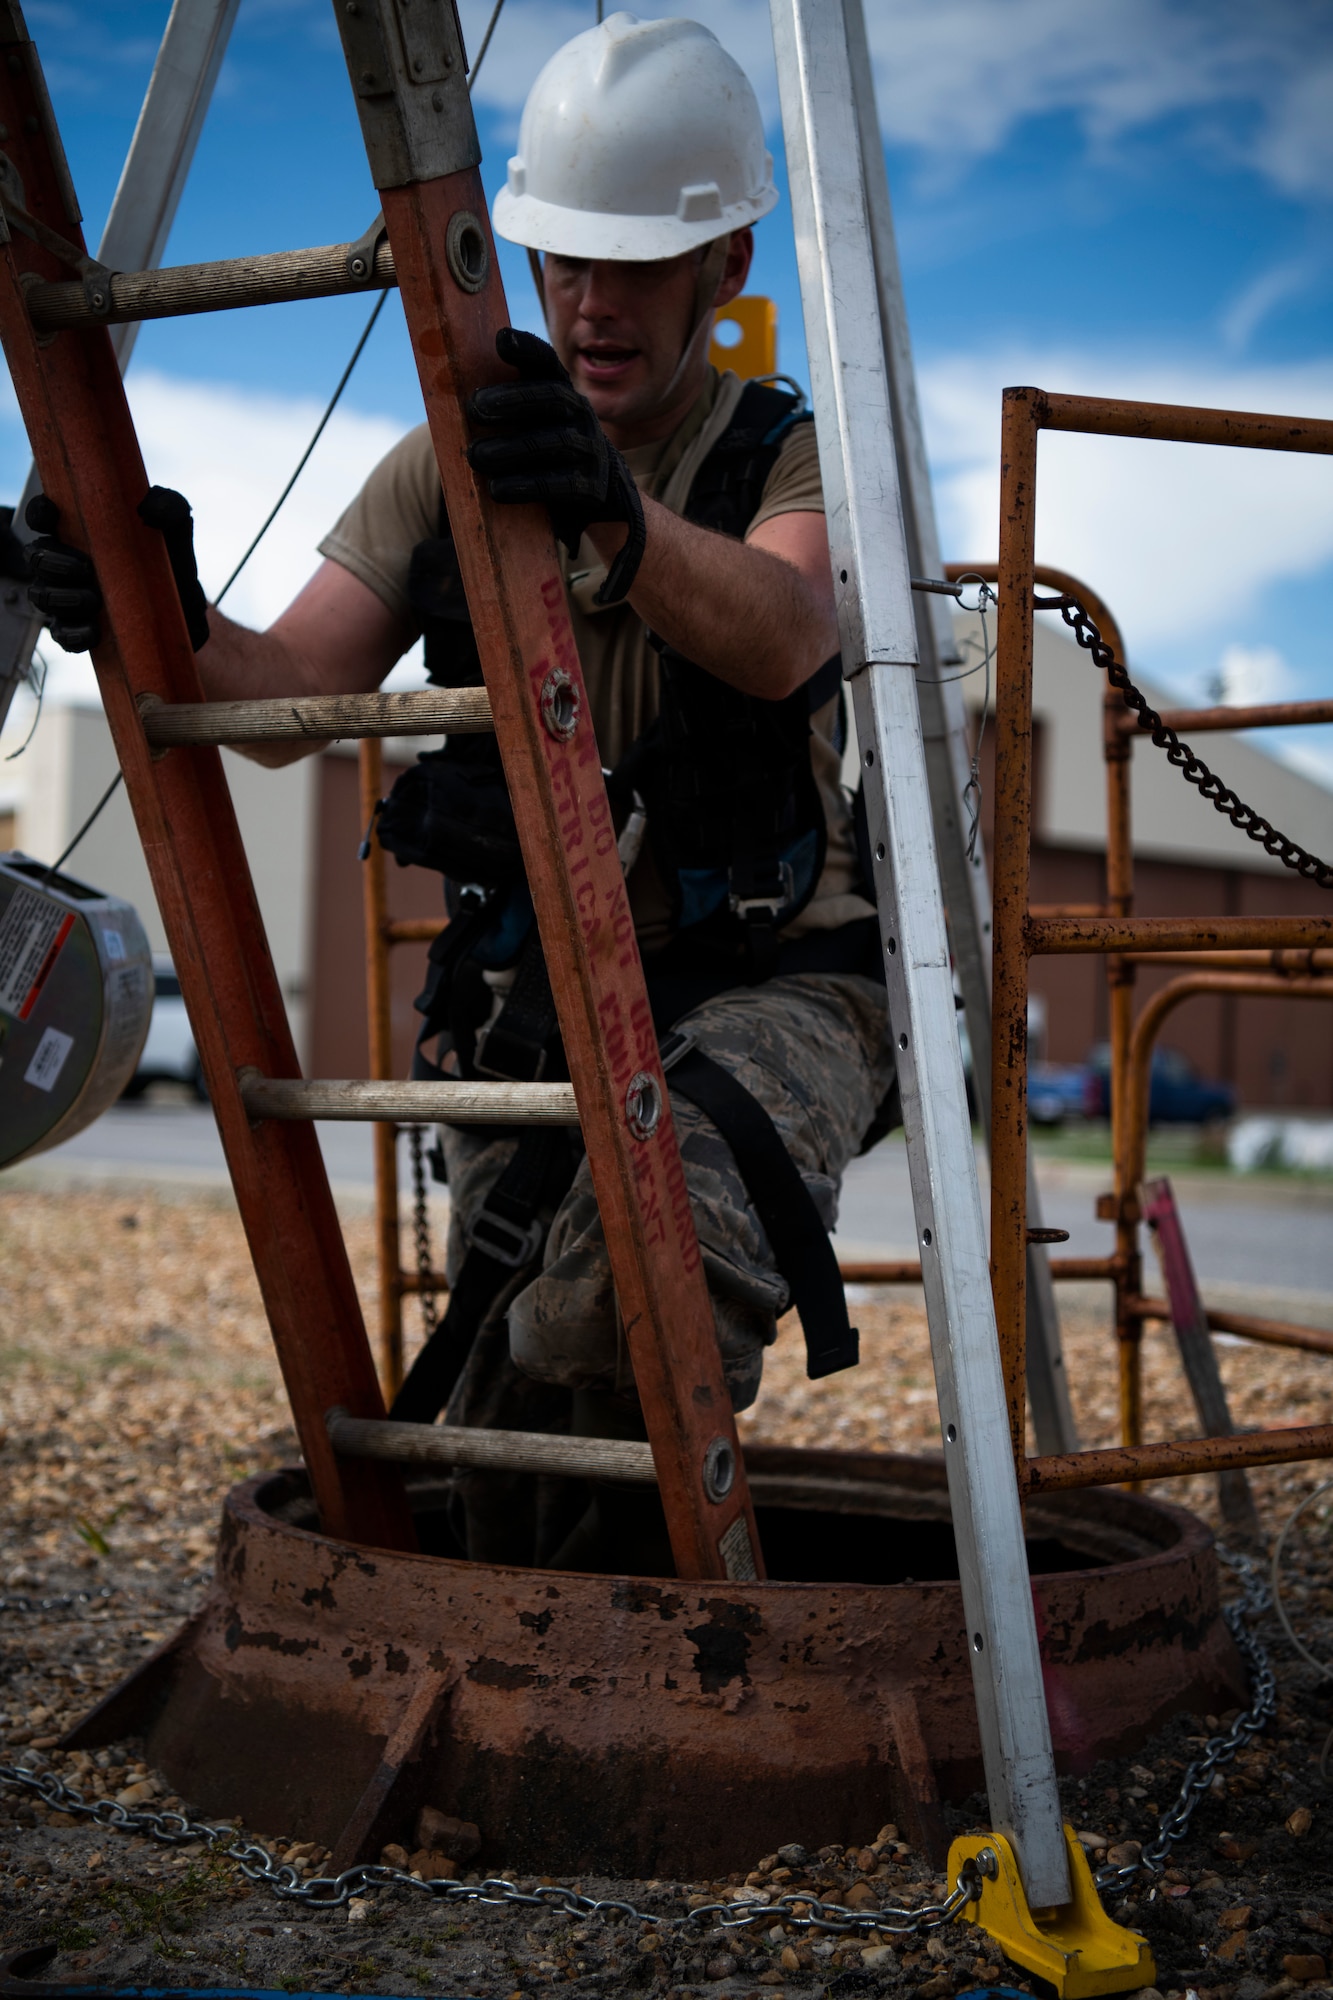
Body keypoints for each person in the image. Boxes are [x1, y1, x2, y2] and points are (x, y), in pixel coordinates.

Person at [28, 14, 896, 1573]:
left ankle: (678, 1668)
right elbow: (277, 699)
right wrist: (141, 594)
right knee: (512, 1387)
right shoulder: (446, 466)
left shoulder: (781, 455)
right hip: (548, 983)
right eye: (562, 256)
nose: (588, 303)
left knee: (646, 1278)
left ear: (727, 267)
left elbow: (784, 639)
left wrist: (610, 514)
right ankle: (538, 1678)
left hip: (771, 976)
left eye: (636, 264)